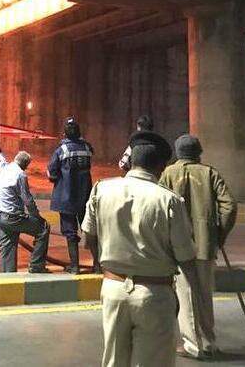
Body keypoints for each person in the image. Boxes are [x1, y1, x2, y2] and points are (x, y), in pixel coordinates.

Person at [83, 131, 199, 367]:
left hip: (113, 288)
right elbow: (185, 257)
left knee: (114, 360)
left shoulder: (101, 190)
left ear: (132, 161)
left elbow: (89, 237)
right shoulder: (170, 201)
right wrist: (191, 293)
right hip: (154, 293)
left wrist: (102, 267)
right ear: (160, 166)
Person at [158, 134, 237, 360]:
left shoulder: (168, 174)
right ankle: (209, 342)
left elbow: (160, 206)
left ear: (177, 152)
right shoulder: (210, 173)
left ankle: (193, 345)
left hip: (179, 246)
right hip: (205, 246)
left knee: (186, 294)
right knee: (204, 294)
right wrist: (219, 235)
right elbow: (229, 206)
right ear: (198, 152)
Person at [47, 117, 96, 274]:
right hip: (85, 197)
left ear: (64, 134)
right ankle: (98, 265)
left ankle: (74, 267)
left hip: (66, 199)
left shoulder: (62, 150)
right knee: (89, 229)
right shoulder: (87, 148)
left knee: (70, 232)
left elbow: (52, 173)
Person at [0, 151, 50, 273]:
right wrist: (37, 217)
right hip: (12, 218)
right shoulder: (20, 175)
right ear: (25, 165)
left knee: (7, 246)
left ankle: (6, 276)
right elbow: (28, 200)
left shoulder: (3, 168)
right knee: (43, 228)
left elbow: (0, 157)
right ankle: (36, 266)